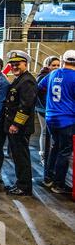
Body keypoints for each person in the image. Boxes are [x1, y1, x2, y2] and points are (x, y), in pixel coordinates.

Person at [38, 50, 75, 194]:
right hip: (67, 119)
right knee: (64, 152)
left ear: (63, 60)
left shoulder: (53, 73)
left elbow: (39, 88)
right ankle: (58, 184)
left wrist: (48, 104)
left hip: (51, 117)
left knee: (55, 147)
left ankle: (48, 178)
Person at [3, 50, 37, 196]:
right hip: (15, 127)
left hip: (19, 128)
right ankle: (20, 183)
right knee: (17, 156)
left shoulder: (27, 80)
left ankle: (24, 186)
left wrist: (16, 124)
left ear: (25, 64)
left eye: (17, 64)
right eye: (12, 64)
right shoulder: (20, 79)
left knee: (21, 157)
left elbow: (26, 106)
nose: (14, 67)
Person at [36, 56, 60, 166]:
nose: (56, 67)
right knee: (45, 132)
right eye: (53, 65)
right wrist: (45, 108)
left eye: (58, 65)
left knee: (51, 134)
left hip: (53, 110)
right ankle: (43, 156)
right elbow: (39, 94)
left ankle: (50, 157)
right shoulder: (42, 77)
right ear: (48, 66)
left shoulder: (57, 76)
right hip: (43, 109)